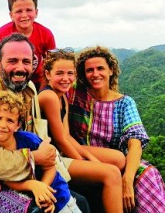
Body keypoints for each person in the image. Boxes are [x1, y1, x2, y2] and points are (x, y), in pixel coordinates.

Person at [0, 33, 89, 213]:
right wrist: (35, 158)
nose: (20, 68)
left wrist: (42, 178)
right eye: (12, 61)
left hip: (22, 177)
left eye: (26, 61)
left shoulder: (27, 90)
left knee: (80, 203)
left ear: (33, 64)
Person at [69, 45, 165, 213]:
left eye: (100, 68)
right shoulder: (75, 95)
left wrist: (127, 180)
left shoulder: (124, 103)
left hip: (115, 162)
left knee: (148, 174)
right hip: (83, 156)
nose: (95, 74)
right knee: (118, 159)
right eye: (89, 70)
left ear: (111, 70)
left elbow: (135, 142)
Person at [38, 49, 123, 213]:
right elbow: (60, 140)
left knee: (119, 158)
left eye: (70, 73)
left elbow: (67, 135)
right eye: (59, 73)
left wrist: (91, 158)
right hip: (54, 159)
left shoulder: (62, 96)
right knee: (112, 174)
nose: (65, 78)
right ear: (48, 74)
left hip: (60, 150)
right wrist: (83, 161)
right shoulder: (49, 97)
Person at [0, 90, 82, 213]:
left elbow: (50, 167)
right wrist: (33, 188)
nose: (3, 125)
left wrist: (42, 189)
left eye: (10, 120)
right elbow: (5, 180)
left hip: (58, 197)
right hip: (32, 200)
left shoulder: (29, 141)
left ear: (18, 125)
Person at [0, 0, 56, 90]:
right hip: (11, 81)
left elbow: (50, 67)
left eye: (29, 10)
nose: (24, 15)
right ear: (11, 15)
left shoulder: (46, 34)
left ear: (36, 12)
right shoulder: (2, 34)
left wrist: (40, 93)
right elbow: (0, 67)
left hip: (37, 83)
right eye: (19, 11)